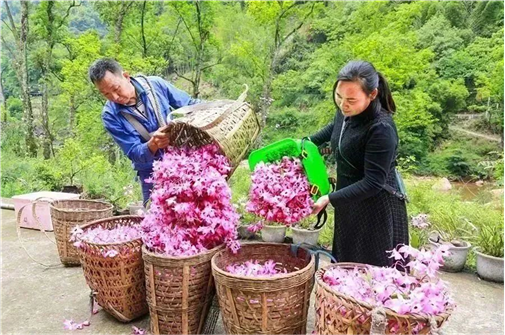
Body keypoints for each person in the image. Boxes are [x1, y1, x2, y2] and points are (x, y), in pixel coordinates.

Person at [309, 60, 408, 267]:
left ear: (372, 95)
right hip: (349, 201)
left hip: (376, 208)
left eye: (351, 100)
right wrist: (302, 145)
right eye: (339, 96)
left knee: (371, 275)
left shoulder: (381, 129)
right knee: (345, 266)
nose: (343, 104)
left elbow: (373, 182)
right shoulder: (346, 111)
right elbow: (333, 131)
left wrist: (329, 198)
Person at [88, 58, 201, 206]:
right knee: (158, 218)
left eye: (116, 89)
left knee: (196, 209)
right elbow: (133, 152)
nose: (115, 97)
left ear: (126, 77)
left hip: (184, 161)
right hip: (151, 173)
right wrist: (152, 145)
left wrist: (221, 107)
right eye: (106, 94)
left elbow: (190, 105)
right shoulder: (110, 115)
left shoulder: (155, 85)